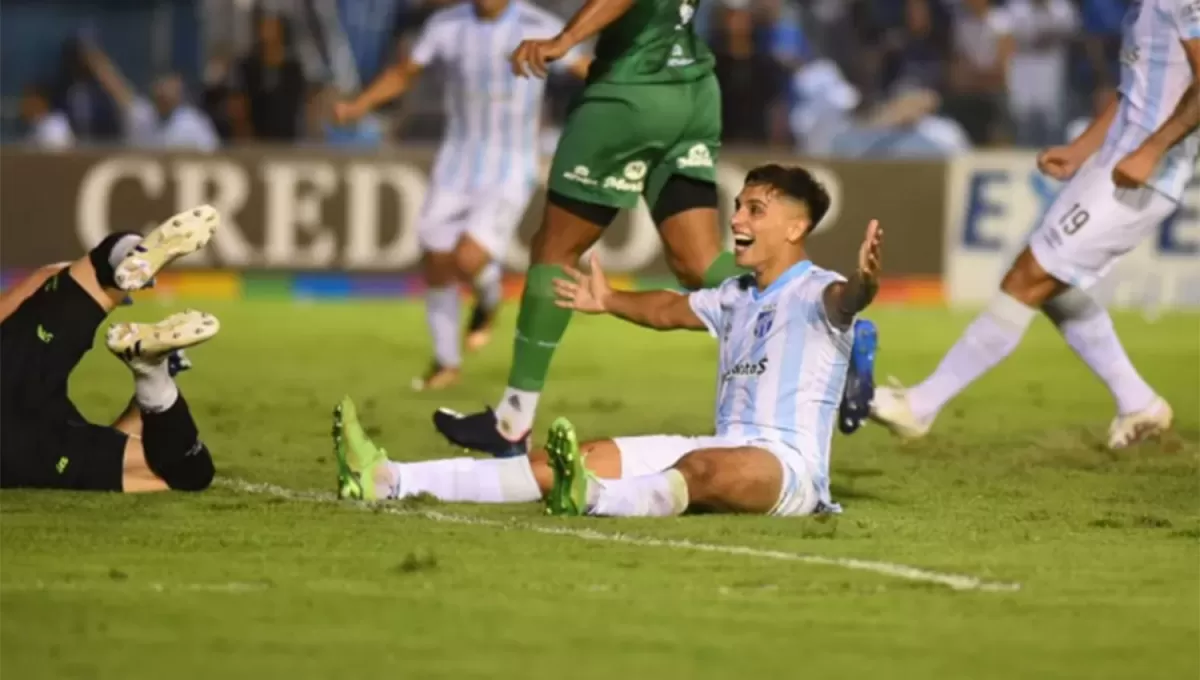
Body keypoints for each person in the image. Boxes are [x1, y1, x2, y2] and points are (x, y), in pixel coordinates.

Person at [334, 165, 882, 517]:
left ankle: (594, 499)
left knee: (703, 472)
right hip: (719, 442)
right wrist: (610, 299)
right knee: (574, 456)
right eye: (737, 205)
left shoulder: (818, 290)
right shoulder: (736, 294)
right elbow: (669, 308)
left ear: (794, 229)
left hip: (786, 468)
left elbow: (847, 301)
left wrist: (864, 284)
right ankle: (388, 477)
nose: (735, 217)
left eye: (753, 210)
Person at [870, 0, 1198, 449]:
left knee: (1030, 276)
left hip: (1143, 175)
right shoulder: (1141, 8)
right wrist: (1081, 149)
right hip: (1112, 164)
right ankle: (1138, 403)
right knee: (1049, 283)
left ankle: (920, 406)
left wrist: (1152, 151)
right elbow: (1137, 94)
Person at [432, 0, 752, 459]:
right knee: (699, 264)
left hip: (629, 95)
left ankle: (512, 421)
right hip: (694, 91)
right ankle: (816, 310)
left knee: (554, 252)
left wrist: (565, 40)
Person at [334, 0, 592, 391]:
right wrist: (359, 106)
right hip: (455, 162)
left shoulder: (538, 24)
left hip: (510, 165)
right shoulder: (446, 24)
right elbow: (406, 71)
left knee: (468, 257)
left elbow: (583, 68)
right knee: (437, 259)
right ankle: (446, 362)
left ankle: (487, 295)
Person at [0, 206, 222, 492]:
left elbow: (104, 446)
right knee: (92, 274)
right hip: (18, 378)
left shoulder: (45, 436)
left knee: (187, 472)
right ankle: (121, 256)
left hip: (18, 445)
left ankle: (152, 374)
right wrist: (65, 282)